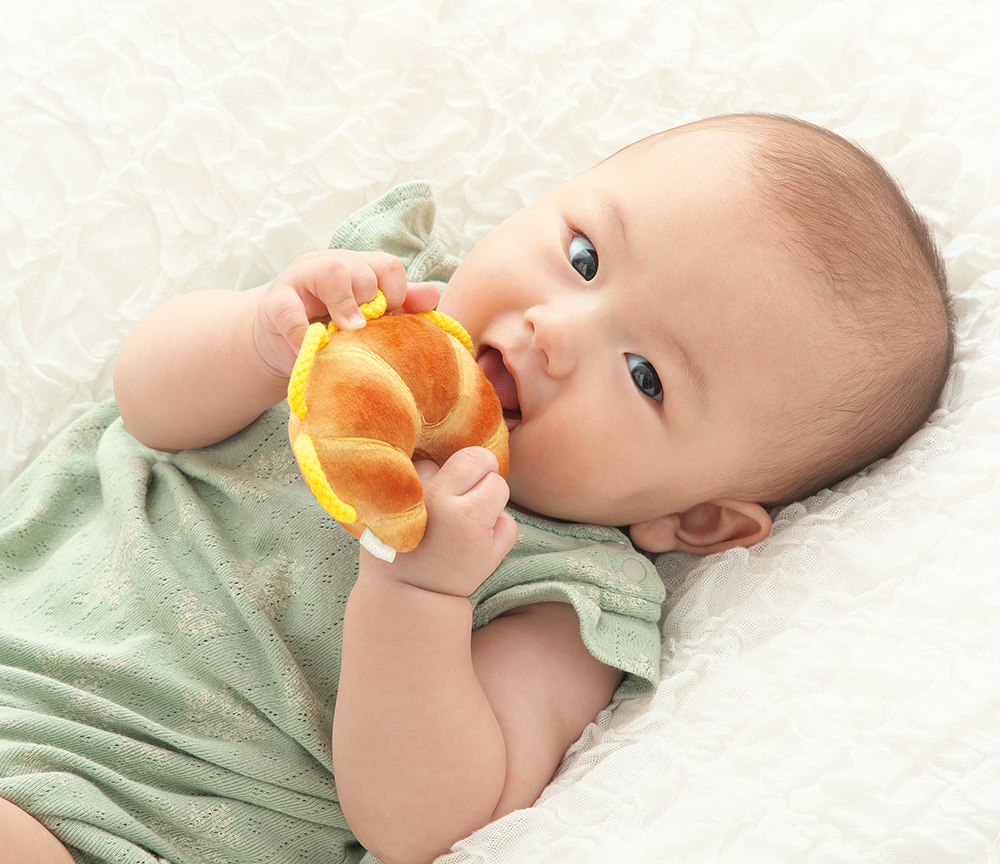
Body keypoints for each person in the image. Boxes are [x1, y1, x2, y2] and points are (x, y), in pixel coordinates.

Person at [0, 113, 952, 864]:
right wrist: (257, 336)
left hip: (112, 811)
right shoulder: (370, 308)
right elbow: (147, 409)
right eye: (583, 257)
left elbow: (418, 823)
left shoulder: (566, 590)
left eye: (646, 375)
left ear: (694, 519)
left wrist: (418, 588)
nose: (554, 331)